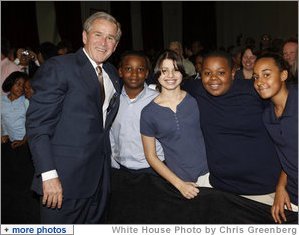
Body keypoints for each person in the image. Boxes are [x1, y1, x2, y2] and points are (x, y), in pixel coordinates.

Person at [26, 11, 122, 224]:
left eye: (110, 38)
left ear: (115, 45)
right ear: (85, 37)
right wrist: (48, 175)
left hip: (100, 181)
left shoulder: (113, 74)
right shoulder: (60, 67)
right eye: (98, 34)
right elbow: (38, 126)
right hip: (62, 182)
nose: (104, 42)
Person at [183, 51, 281, 206]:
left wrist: (282, 186)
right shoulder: (197, 90)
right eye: (207, 73)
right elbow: (171, 84)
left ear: (233, 73)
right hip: (222, 188)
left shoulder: (254, 91)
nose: (213, 78)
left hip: (265, 189)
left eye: (221, 72)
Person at [140, 50, 209, 200]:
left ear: (182, 73)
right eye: (164, 71)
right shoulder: (148, 113)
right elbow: (151, 156)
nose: (170, 75)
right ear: (157, 74)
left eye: (175, 70)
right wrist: (179, 184)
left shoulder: (195, 99)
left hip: (210, 175)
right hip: (178, 182)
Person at [253, 53, 298, 223]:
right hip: (293, 196)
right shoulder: (268, 116)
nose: (259, 82)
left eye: (266, 74)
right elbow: (286, 157)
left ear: (284, 75)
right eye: (256, 77)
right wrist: (280, 187)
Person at [110, 51, 164, 173]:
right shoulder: (113, 100)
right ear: (120, 72)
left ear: (146, 74)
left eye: (140, 69)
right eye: (128, 69)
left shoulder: (158, 100)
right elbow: (111, 133)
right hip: (121, 169)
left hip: (153, 170)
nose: (134, 74)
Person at [1, 71, 39, 223]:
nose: (20, 88)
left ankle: (24, 219)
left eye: (23, 86)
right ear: (10, 84)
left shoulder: (26, 102)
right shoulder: (1, 101)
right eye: (18, 84)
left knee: (23, 184)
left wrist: (25, 140)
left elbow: (33, 124)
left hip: (24, 146)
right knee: (6, 182)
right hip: (6, 146)